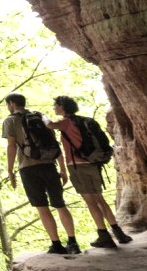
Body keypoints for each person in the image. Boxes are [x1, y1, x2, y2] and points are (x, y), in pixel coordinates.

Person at [50, 95, 133, 248]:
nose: (54, 108)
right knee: (100, 200)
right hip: (93, 164)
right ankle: (118, 232)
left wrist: (40, 117)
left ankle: (103, 235)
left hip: (78, 166)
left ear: (62, 106)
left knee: (91, 202)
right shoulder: (83, 121)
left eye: (55, 105)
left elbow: (49, 125)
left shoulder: (65, 122)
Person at [3, 93, 80, 255]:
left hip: (28, 167)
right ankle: (73, 242)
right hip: (49, 165)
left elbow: (11, 146)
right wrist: (62, 168)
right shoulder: (40, 117)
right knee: (60, 204)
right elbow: (53, 143)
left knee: (42, 207)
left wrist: (10, 170)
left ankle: (56, 244)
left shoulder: (10, 120)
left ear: (11, 103)